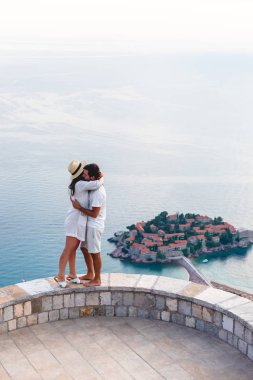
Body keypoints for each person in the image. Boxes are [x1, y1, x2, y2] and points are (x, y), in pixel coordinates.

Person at [54, 160, 103, 288]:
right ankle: (60, 276)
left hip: (78, 220)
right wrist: (102, 176)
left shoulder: (77, 184)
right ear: (80, 173)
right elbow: (97, 183)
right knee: (68, 249)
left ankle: (73, 274)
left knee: (73, 249)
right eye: (83, 171)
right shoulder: (80, 184)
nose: (84, 173)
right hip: (75, 220)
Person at [72, 163, 106, 287]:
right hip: (89, 224)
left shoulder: (98, 192)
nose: (83, 176)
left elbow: (94, 214)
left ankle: (97, 279)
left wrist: (79, 207)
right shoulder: (93, 187)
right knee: (84, 248)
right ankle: (90, 273)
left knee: (95, 252)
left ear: (91, 177)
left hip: (94, 225)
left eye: (85, 174)